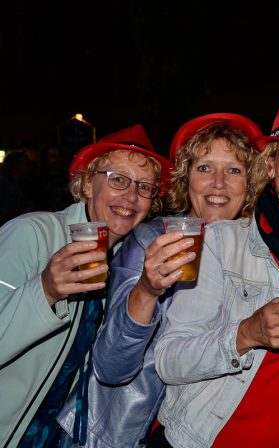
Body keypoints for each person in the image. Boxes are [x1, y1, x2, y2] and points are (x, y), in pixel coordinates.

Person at [153, 91, 279, 447]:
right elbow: (169, 361)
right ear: (271, 164)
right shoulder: (220, 242)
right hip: (214, 438)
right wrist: (247, 333)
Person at [55, 113, 263, 447]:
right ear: (186, 179)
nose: (218, 183)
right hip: (112, 436)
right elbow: (110, 368)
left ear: (250, 183)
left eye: (234, 171)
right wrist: (147, 290)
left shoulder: (256, 256)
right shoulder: (150, 240)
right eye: (204, 168)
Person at [0, 124, 171, 447]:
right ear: (88, 184)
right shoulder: (30, 235)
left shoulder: (126, 263)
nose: (131, 196)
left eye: (145, 187)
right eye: (118, 180)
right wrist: (45, 290)